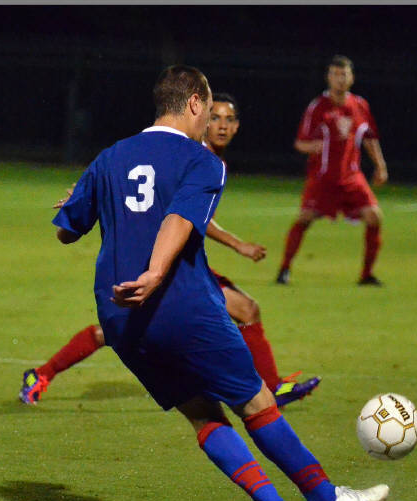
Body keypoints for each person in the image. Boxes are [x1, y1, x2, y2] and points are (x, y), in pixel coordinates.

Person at [45, 64, 388, 501]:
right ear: (193, 103)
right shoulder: (201, 160)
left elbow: (67, 231)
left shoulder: (108, 158)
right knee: (257, 403)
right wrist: (156, 271)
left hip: (120, 317)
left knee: (201, 413)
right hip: (180, 306)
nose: (210, 119)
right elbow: (180, 219)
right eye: (208, 108)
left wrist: (81, 199)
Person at [20, 93, 320, 407]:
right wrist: (237, 244)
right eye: (215, 117)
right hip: (162, 265)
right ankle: (41, 374)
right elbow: (182, 215)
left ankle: (271, 387)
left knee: (245, 310)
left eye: (229, 119)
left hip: (178, 266)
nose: (222, 125)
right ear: (201, 117)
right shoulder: (197, 157)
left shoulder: (207, 158)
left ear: (237, 126)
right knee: (116, 332)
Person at [276, 55, 388, 286]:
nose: (340, 79)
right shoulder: (318, 107)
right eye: (335, 74)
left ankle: (366, 275)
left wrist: (380, 166)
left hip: (352, 178)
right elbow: (300, 143)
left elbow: (369, 138)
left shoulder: (360, 105)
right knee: (305, 219)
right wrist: (313, 147)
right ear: (328, 77)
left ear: (352, 78)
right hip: (323, 178)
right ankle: (284, 269)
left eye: (344, 74)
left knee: (374, 217)